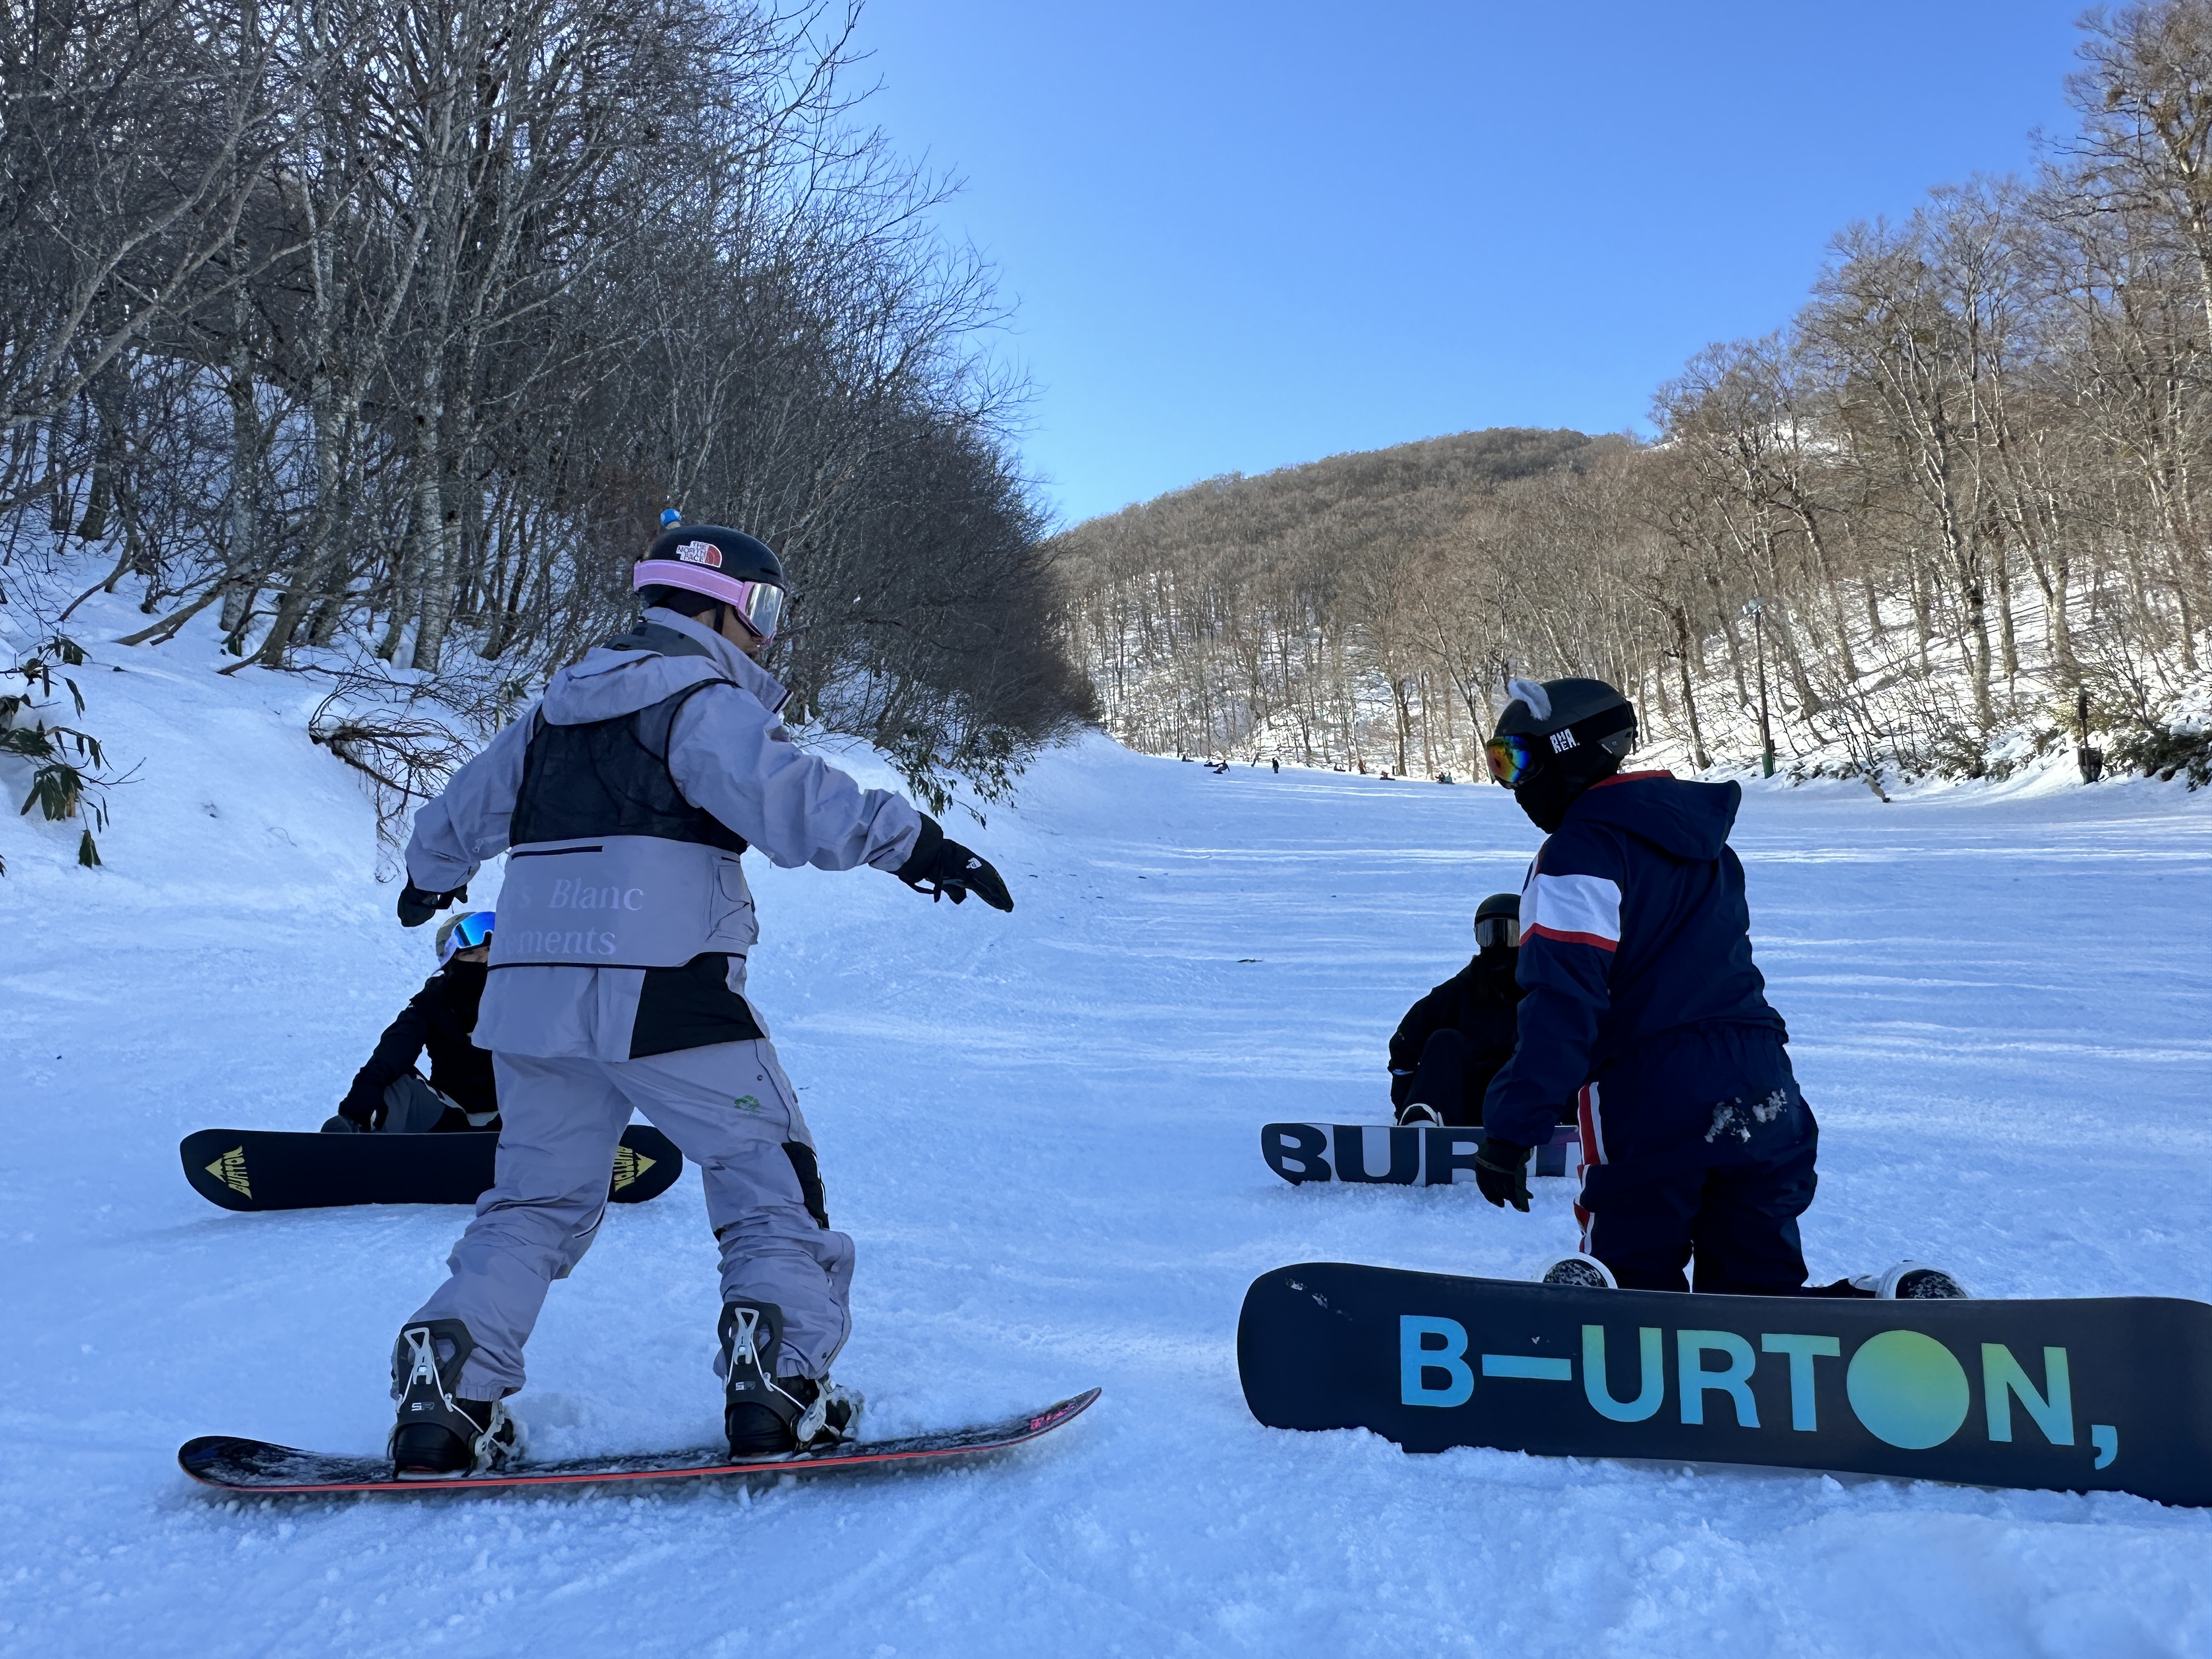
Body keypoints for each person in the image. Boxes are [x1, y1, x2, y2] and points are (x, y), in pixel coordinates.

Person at [382, 515, 1015, 1478]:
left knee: (535, 1198)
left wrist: (429, 879)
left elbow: (455, 817)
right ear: (724, 608)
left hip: (530, 998)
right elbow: (796, 799)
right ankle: (779, 1380)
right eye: (763, 610)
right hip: (666, 992)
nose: (767, 633)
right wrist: (922, 846)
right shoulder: (702, 702)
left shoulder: (549, 716)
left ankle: (448, 1387)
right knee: (763, 1171)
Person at [1471, 676, 1962, 1302]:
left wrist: (1514, 1128)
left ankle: (1611, 1317)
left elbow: (1564, 1001)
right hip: (1763, 1080)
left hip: (1650, 1088)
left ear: (1565, 752)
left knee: (1636, 1274)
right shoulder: (1708, 847)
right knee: (1757, 1294)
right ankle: (1882, 1302)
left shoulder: (1576, 854)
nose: (1511, 785)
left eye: (1515, 761)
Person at [324, 912, 499, 1135]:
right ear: (451, 961)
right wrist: (359, 1104)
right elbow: (396, 1048)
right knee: (394, 1082)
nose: (484, 959)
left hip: (521, 1111)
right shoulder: (432, 1002)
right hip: (449, 1118)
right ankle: (353, 1137)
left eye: (490, 950)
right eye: (471, 953)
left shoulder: (526, 995)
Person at [1387, 894, 1529, 1128]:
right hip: (1468, 1102)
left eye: (1510, 934)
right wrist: (1405, 1100)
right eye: (1489, 934)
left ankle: (1574, 1122)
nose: (1499, 944)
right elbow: (1406, 1040)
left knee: (1559, 1041)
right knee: (1445, 1040)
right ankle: (1421, 1121)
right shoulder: (1460, 992)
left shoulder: (1546, 992)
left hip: (1530, 1102)